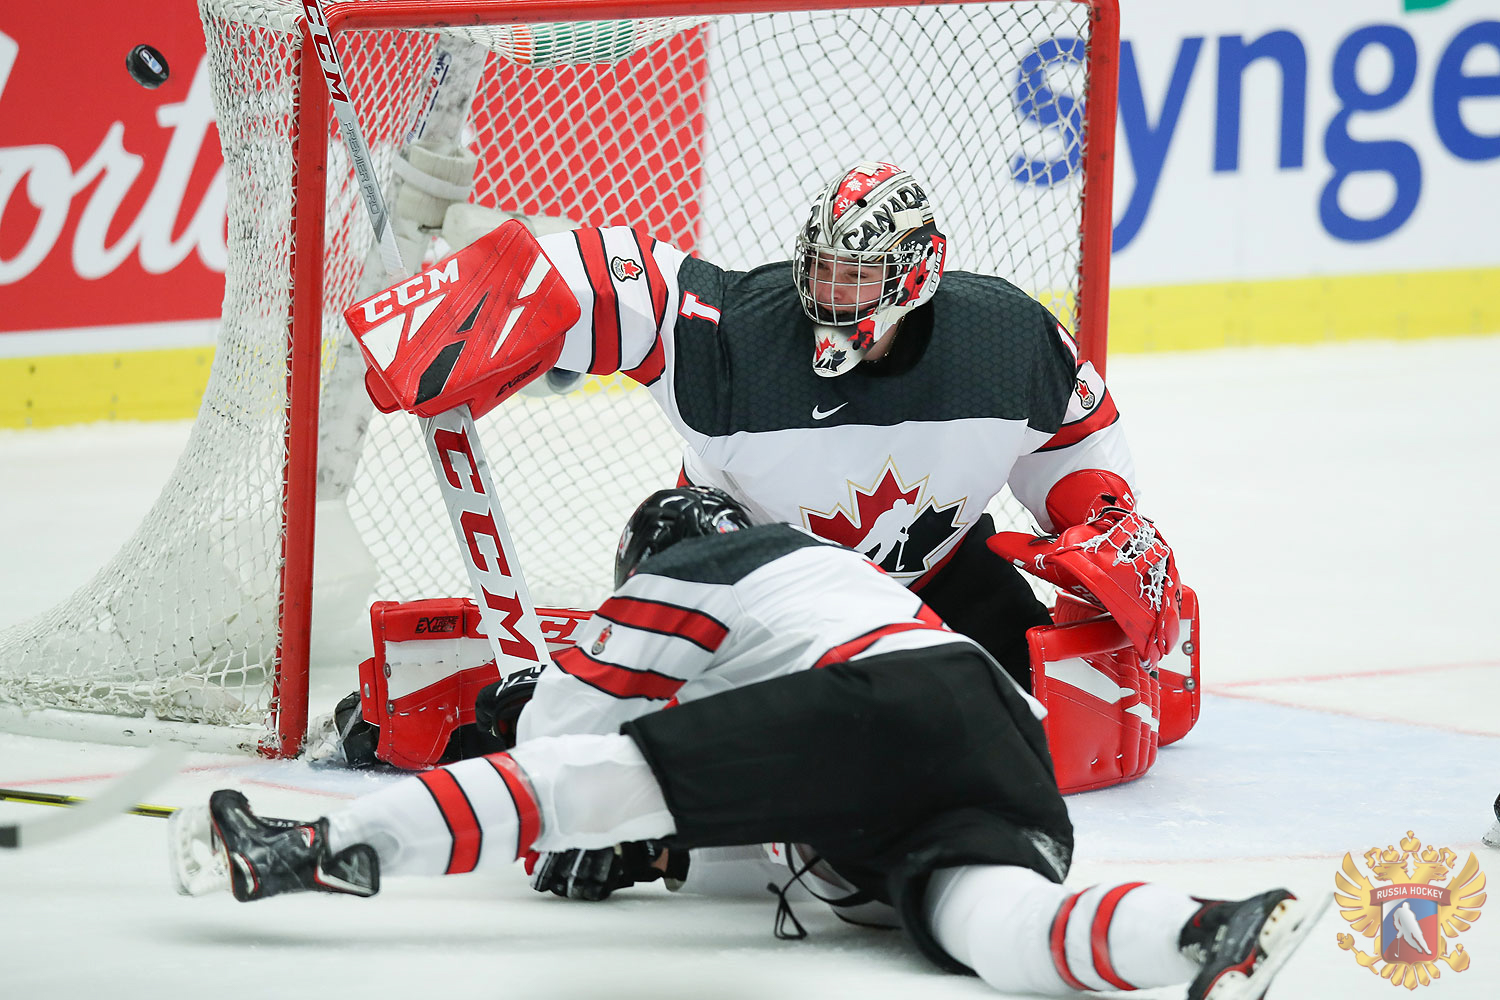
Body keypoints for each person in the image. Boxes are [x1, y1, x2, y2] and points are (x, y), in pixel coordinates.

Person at [172, 488, 1318, 1000]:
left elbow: (571, 740)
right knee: (992, 923)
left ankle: (326, 842)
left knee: (586, 786)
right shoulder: (837, 582)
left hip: (875, 708)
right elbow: (751, 829)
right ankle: (1195, 933)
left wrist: (581, 820)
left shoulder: (697, 568)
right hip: (993, 741)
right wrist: (657, 849)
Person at [511, 159, 1145, 689]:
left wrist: (1100, 520)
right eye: (823, 269)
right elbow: (622, 277)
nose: (832, 294)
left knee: (1053, 696)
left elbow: (1076, 439)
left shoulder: (1003, 338)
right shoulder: (742, 332)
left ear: (916, 275)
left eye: (858, 275)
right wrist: (510, 292)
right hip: (763, 584)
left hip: (938, 570)